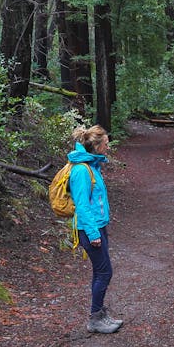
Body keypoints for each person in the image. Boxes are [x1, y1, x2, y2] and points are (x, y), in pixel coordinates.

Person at [68, 125, 123, 334]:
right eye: (106, 144)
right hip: (89, 229)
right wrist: (93, 234)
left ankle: (99, 314)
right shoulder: (82, 170)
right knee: (105, 272)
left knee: (100, 272)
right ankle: (95, 319)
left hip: (98, 226)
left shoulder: (92, 166)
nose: (108, 147)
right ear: (97, 146)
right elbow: (82, 205)